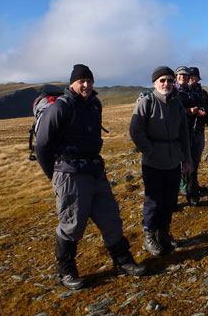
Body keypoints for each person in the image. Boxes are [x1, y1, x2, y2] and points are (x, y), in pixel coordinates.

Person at [35, 64, 146, 290]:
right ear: (72, 83)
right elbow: (42, 146)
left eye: (89, 80)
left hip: (94, 169)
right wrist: (56, 176)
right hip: (70, 174)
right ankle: (65, 271)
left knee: (110, 217)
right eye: (81, 81)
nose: (86, 85)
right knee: (72, 224)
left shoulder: (94, 104)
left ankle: (122, 262)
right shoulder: (61, 108)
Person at [129, 66, 192, 256]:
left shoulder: (177, 104)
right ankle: (149, 236)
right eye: (162, 80)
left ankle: (163, 233)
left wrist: (187, 159)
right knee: (153, 200)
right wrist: (150, 151)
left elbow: (184, 134)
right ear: (155, 83)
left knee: (170, 199)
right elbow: (136, 131)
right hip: (153, 162)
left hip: (173, 160)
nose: (167, 84)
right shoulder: (146, 102)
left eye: (170, 80)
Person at [175, 65, 201, 204]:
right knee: (175, 166)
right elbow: (172, 112)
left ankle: (192, 194)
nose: (183, 77)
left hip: (189, 132)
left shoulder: (189, 92)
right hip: (175, 134)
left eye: (185, 75)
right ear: (176, 77)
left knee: (190, 164)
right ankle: (177, 195)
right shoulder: (173, 92)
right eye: (180, 75)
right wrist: (188, 111)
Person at [187, 67, 208, 198]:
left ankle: (193, 186)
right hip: (186, 133)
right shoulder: (181, 93)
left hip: (199, 132)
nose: (192, 78)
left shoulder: (204, 94)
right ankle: (191, 192)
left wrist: (205, 116)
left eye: (194, 76)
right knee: (188, 163)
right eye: (190, 76)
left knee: (195, 161)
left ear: (198, 78)